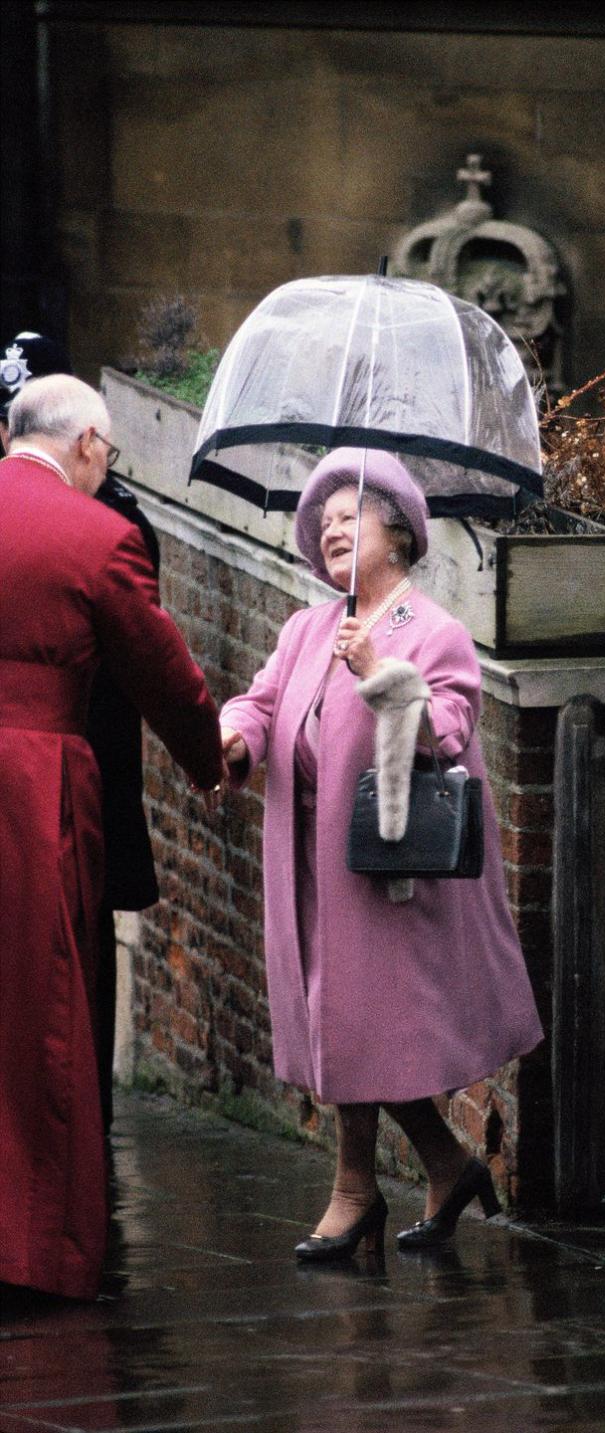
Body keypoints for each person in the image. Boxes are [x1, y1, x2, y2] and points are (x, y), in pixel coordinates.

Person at [218, 447, 543, 1261]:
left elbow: (451, 731)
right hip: (312, 868)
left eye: (346, 515)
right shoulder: (308, 627)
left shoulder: (432, 630)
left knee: (363, 1031)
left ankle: (355, 1191)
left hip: (391, 871)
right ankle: (443, 1164)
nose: (329, 530)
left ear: (395, 531)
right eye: (320, 522)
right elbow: (259, 704)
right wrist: (231, 739)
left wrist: (381, 675)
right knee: (343, 1026)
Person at [0, 374, 222, 1300]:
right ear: (89, 442)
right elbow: (163, 676)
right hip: (31, 786)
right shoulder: (98, 538)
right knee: (42, 1004)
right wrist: (211, 758)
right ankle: (29, 1246)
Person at [1, 332, 162, 1132]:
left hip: (80, 774)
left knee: (63, 976)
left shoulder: (113, 522)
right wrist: (211, 753)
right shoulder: (99, 525)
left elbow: (140, 661)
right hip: (52, 777)